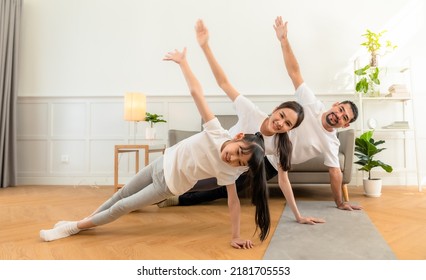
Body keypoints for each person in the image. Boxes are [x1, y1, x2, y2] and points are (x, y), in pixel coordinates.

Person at [39, 47, 270, 249]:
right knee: (120, 194)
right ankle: (82, 223)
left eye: (239, 163)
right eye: (238, 152)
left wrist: (236, 235)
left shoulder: (229, 172)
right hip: (161, 163)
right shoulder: (216, 131)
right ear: (238, 137)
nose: (232, 159)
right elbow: (196, 92)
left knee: (123, 206)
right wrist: (183, 63)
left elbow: (233, 202)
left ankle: (70, 228)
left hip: (169, 185)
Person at [160, 17, 362, 216]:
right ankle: (167, 181)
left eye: (345, 118)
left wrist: (340, 202)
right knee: (208, 169)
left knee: (227, 185)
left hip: (272, 161)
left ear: (345, 125)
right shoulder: (310, 104)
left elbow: (335, 173)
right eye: (341, 110)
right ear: (335, 105)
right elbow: (294, 72)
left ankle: (177, 198)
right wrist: (283, 41)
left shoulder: (330, 142)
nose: (339, 116)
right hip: (244, 145)